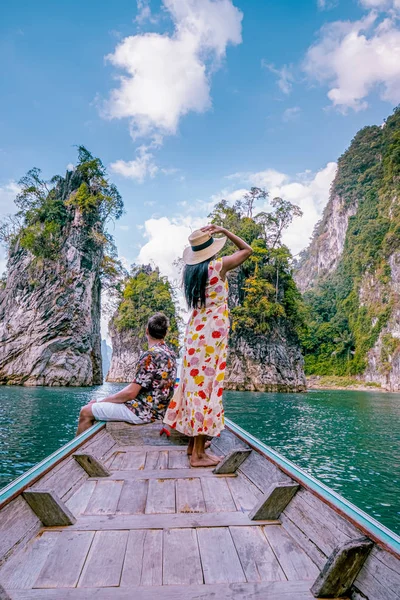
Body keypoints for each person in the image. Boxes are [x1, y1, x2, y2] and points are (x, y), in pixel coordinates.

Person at [164, 225, 252, 467]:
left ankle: (194, 445)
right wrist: (225, 229)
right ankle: (198, 455)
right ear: (210, 249)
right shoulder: (217, 267)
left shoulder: (190, 273)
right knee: (207, 387)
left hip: (195, 334)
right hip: (212, 335)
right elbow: (247, 250)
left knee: (194, 386)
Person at [76, 313, 177, 435]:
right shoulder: (170, 354)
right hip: (160, 410)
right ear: (165, 334)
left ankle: (79, 454)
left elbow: (130, 393)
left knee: (85, 412)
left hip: (144, 411)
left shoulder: (150, 355)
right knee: (95, 405)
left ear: (147, 331)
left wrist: (100, 401)